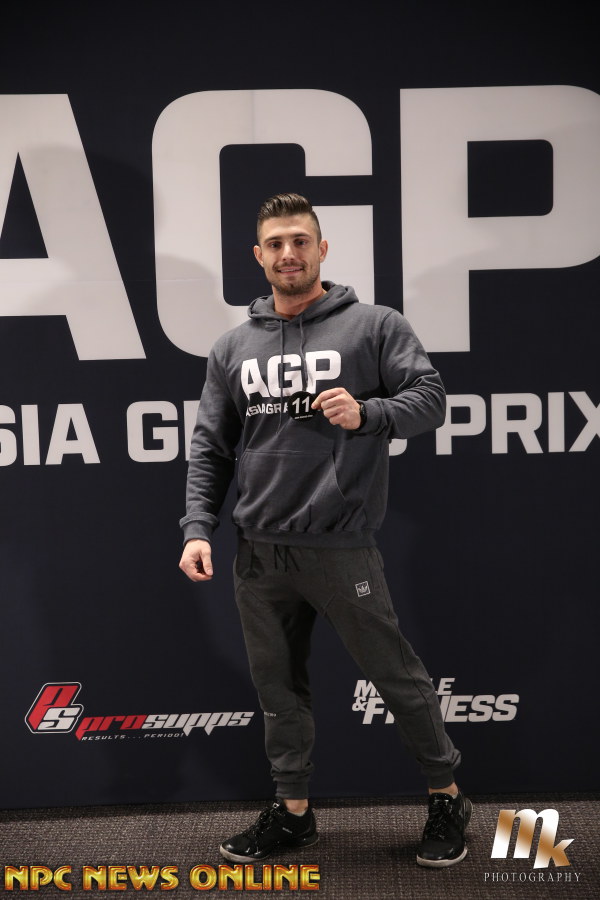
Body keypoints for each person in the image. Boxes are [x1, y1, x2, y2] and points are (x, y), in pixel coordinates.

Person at [179, 193, 472, 868]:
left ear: (322, 249)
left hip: (341, 548)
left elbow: (431, 399)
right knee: (278, 690)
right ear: (259, 256)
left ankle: (447, 796)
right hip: (259, 553)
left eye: (301, 241)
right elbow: (211, 448)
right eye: (276, 243)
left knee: (396, 678)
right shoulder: (233, 347)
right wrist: (198, 527)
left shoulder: (374, 326)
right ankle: (293, 813)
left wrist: (368, 414)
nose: (289, 254)